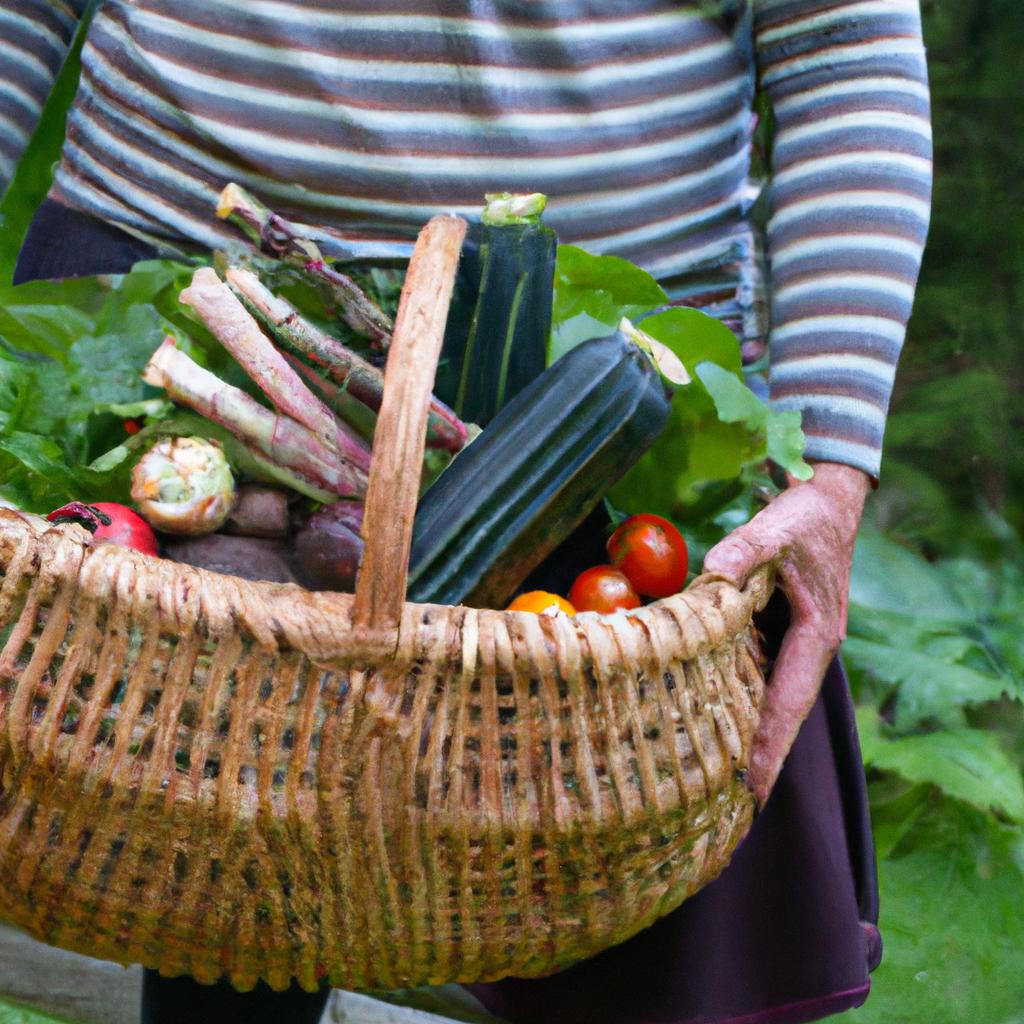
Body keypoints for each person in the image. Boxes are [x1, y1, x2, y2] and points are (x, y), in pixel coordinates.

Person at [1, 2, 932, 1022]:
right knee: (207, 909)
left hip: (610, 391)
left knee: (642, 915)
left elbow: (842, 36)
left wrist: (831, 466)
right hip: (173, 305)